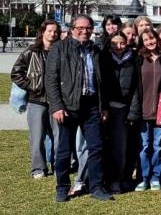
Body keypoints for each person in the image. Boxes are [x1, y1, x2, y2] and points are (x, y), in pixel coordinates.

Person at [45, 14, 113, 202]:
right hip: (68, 106)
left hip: (92, 106)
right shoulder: (60, 48)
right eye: (80, 28)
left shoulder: (95, 50)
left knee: (96, 147)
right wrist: (57, 106)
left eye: (88, 28)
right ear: (72, 29)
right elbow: (50, 79)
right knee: (64, 150)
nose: (84, 31)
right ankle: (62, 187)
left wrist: (104, 106)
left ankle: (96, 186)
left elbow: (102, 81)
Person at [11, 19, 60, 179]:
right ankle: (38, 168)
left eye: (55, 31)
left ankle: (57, 165)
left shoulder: (60, 51)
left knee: (58, 136)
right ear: (43, 32)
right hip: (36, 100)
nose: (53, 34)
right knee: (37, 136)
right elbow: (16, 73)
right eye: (50, 31)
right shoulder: (31, 52)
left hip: (56, 101)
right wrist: (31, 86)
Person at [99, 32, 142, 194]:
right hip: (104, 108)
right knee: (100, 146)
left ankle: (116, 179)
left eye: (122, 43)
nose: (118, 46)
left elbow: (136, 89)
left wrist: (133, 112)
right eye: (115, 43)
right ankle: (99, 178)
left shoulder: (133, 59)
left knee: (119, 147)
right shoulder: (103, 58)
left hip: (122, 109)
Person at [136, 29, 161, 192]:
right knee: (144, 146)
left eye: (151, 38)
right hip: (143, 109)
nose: (149, 42)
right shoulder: (139, 59)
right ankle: (143, 177)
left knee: (158, 145)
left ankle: (156, 176)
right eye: (145, 40)